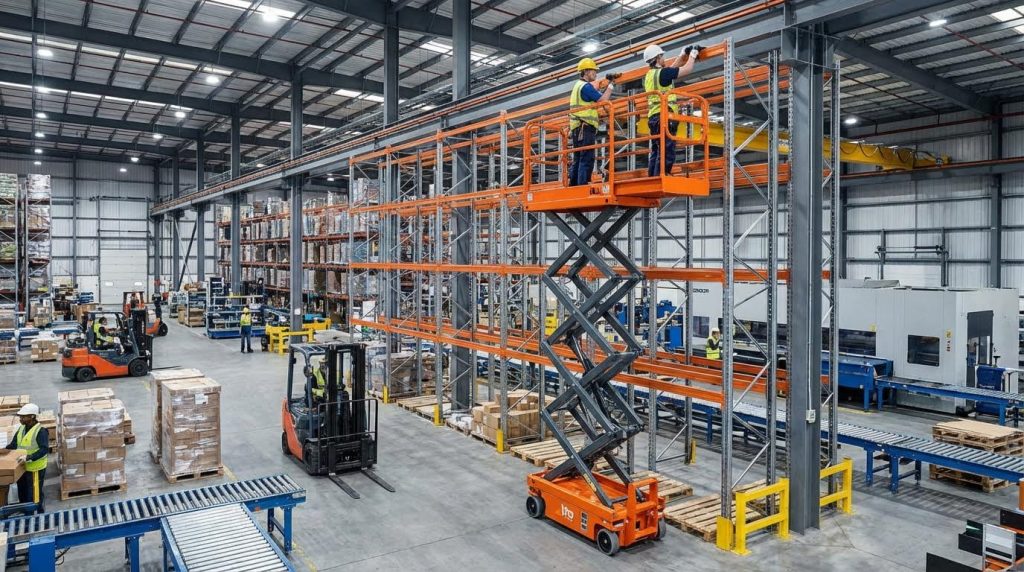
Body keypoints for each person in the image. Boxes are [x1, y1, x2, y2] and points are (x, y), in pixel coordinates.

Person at [643, 43, 701, 177]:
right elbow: (687, 69)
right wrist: (693, 54)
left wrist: (682, 54)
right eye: (662, 56)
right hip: (664, 116)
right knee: (666, 149)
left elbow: (671, 70)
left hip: (653, 117)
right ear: (657, 57)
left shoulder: (651, 75)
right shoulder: (662, 74)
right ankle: (663, 174)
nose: (664, 58)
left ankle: (654, 176)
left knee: (657, 149)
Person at [568, 58, 615, 187]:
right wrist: (611, 85)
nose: (595, 73)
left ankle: (574, 185)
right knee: (586, 157)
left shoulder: (578, 86)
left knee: (578, 158)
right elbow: (603, 99)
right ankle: (583, 185)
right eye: (593, 71)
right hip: (585, 127)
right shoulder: (586, 87)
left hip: (578, 128)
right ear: (586, 72)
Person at [6, 404, 49, 511]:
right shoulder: (21, 429)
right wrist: (4, 450)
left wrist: (29, 457)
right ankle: (25, 514)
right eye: (20, 416)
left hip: (35, 469)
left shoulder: (41, 431)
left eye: (23, 416)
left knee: (34, 495)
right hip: (22, 468)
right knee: (23, 493)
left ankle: (39, 515)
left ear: (32, 417)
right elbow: (14, 445)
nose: (21, 419)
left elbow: (44, 450)